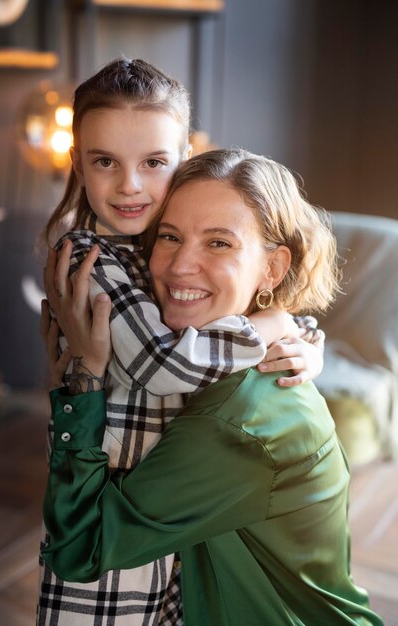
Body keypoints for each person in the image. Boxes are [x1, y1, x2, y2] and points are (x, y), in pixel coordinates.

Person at [42, 149, 383, 625]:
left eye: (219, 243)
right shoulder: (227, 363)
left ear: (272, 269)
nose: (181, 266)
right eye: (169, 236)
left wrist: (82, 385)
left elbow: (80, 548)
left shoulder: (238, 417)